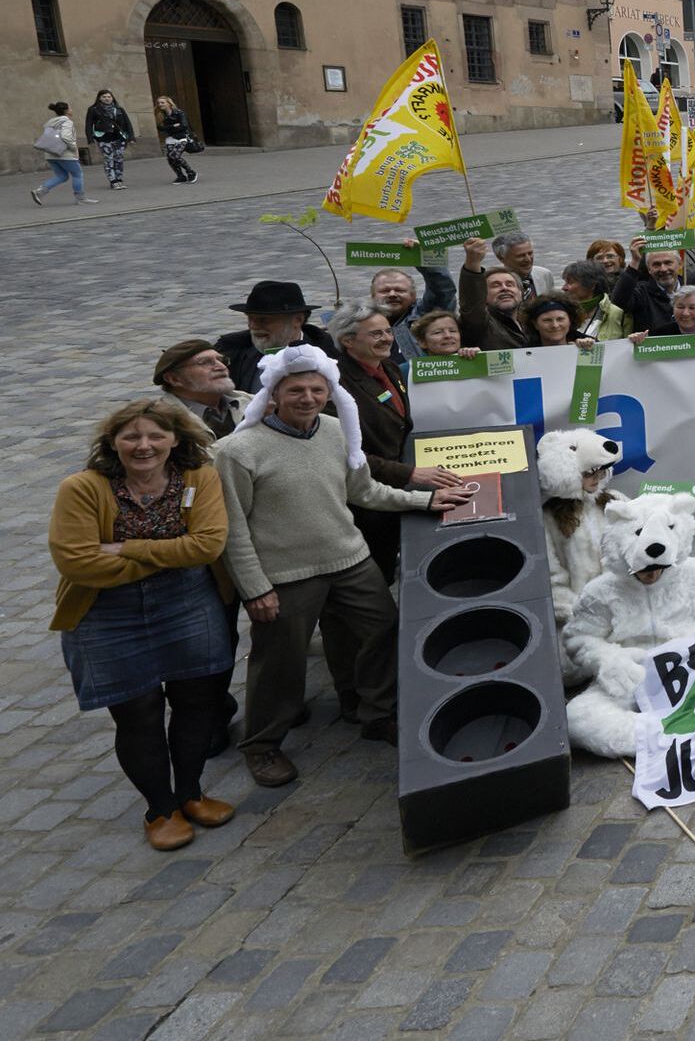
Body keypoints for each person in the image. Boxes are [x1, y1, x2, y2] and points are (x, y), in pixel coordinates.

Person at [214, 347, 473, 787]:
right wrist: (255, 588)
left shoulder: (334, 430)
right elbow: (232, 528)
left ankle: (373, 711)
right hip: (286, 574)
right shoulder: (238, 450)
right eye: (296, 389)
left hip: (349, 558)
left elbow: (365, 491)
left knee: (379, 630)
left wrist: (424, 500)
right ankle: (262, 745)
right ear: (273, 393)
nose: (308, 397)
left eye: (317, 389)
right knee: (280, 661)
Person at [47, 401, 238, 850]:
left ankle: (190, 793)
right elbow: (79, 564)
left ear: (176, 439)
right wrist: (170, 551)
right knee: (138, 714)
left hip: (188, 603)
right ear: (112, 443)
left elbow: (207, 546)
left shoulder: (199, 477)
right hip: (107, 613)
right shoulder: (81, 488)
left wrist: (125, 549)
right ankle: (160, 808)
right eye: (131, 437)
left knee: (197, 701)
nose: (144, 445)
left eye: (155, 435)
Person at [328, 299, 463, 586]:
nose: (387, 338)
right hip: (362, 504)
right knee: (371, 580)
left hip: (393, 495)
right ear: (348, 341)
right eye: (376, 334)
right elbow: (343, 454)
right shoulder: (336, 386)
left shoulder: (388, 368)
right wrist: (408, 473)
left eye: (387, 331)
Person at [212, 281, 339, 393]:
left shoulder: (330, 352)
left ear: (298, 320)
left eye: (264, 320)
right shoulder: (232, 350)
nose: (253, 326)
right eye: (250, 318)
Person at [154, 341, 250, 439]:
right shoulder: (159, 421)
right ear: (174, 379)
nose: (222, 367)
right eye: (205, 362)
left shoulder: (253, 401)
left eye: (222, 360)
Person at [457, 237, 530, 349]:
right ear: (483, 296)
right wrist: (472, 263)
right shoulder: (482, 324)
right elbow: (472, 301)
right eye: (495, 285)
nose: (504, 288)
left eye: (510, 284)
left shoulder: (532, 322)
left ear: (520, 292)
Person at [30, 101, 90, 206]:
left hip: (50, 154)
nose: (72, 110)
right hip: (65, 154)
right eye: (70, 108)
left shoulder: (50, 122)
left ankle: (40, 191)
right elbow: (66, 137)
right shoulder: (67, 122)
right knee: (77, 174)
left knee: (62, 176)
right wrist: (73, 148)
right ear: (67, 111)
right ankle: (81, 198)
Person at [86, 90, 136, 192]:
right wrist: (90, 139)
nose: (107, 98)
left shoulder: (119, 109)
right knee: (109, 158)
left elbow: (127, 123)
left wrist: (131, 137)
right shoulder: (93, 109)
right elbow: (88, 124)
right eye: (104, 97)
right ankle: (113, 181)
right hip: (104, 137)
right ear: (99, 98)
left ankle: (119, 178)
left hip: (119, 137)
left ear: (112, 98)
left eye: (109, 96)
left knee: (119, 158)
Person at [154, 95, 199, 184]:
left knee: (175, 156)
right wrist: (173, 126)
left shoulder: (179, 113)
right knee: (170, 158)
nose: (160, 104)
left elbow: (183, 126)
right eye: (158, 103)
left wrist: (168, 128)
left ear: (169, 104)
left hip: (182, 137)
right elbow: (159, 128)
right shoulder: (160, 115)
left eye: (162, 102)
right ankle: (180, 176)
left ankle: (191, 172)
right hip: (170, 138)